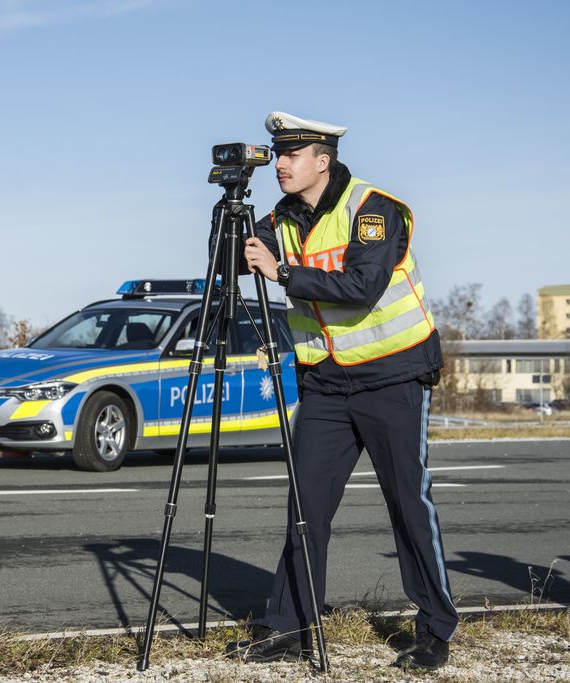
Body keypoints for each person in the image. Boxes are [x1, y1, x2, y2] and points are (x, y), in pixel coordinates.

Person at [224, 112, 458, 671]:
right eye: (276, 155)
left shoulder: (372, 210)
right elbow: (232, 264)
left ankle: (434, 631)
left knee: (407, 503)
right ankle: (288, 625)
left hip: (393, 375)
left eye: (292, 155)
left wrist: (282, 274)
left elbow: (362, 287)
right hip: (326, 382)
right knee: (306, 507)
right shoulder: (280, 217)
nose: (280, 164)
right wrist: (229, 211)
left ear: (321, 161)